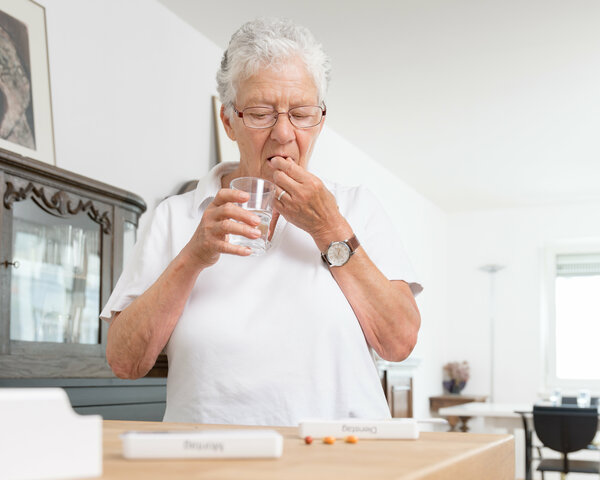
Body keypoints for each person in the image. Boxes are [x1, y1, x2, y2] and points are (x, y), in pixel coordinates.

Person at [101, 18, 422, 426]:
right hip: (210, 460)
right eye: (260, 113)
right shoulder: (175, 216)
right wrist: (194, 255)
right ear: (229, 120)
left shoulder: (356, 207)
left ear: (319, 120)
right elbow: (124, 362)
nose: (284, 133)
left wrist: (329, 229)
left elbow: (399, 343)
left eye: (302, 113)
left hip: (339, 459)